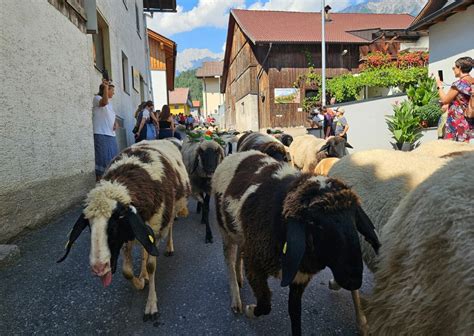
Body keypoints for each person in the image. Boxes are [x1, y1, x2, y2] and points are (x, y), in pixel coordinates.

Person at [436, 56, 473, 143]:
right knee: (467, 149)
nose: (453, 70)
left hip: (458, 119)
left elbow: (445, 100)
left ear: (459, 68)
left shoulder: (458, 84)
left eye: (454, 68)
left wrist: (439, 86)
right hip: (470, 119)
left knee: (456, 149)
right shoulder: (472, 81)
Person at [92, 79, 119, 181]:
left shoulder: (111, 104)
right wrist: (106, 86)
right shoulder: (97, 98)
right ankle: (99, 184)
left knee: (112, 161)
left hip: (111, 135)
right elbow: (103, 102)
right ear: (106, 90)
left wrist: (116, 122)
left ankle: (108, 183)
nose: (114, 93)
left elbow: (112, 116)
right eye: (112, 90)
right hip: (101, 134)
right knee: (102, 162)